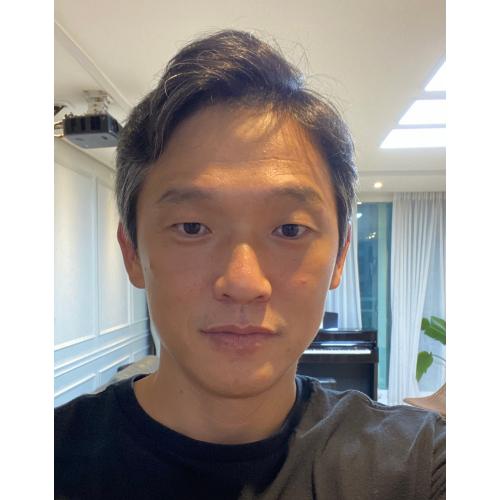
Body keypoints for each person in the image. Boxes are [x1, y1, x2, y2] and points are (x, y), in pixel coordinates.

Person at [55, 29, 445, 500]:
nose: (242, 283)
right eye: (192, 227)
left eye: (290, 229)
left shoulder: (420, 465)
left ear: (340, 256)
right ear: (132, 252)